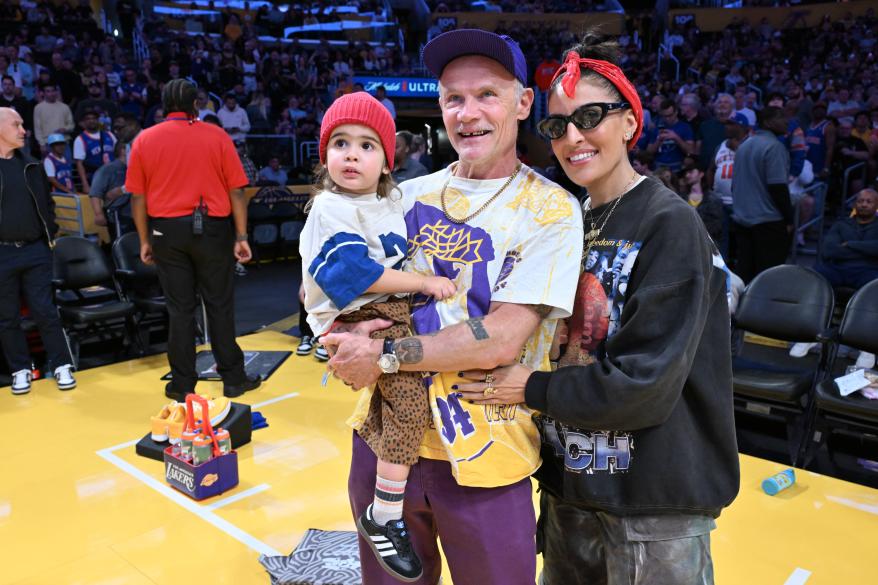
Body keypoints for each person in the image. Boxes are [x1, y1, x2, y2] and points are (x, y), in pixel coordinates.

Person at [460, 32, 738, 584]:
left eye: (590, 116)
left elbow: (646, 383)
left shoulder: (670, 223)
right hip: (572, 485)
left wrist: (529, 387)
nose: (573, 137)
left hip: (651, 503)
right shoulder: (567, 221)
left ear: (630, 123)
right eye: (557, 124)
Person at [321, 29, 583, 585]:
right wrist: (337, 331)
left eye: (487, 94)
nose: (468, 113)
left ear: (523, 103)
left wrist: (382, 355)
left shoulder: (551, 210)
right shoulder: (404, 197)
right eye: (453, 98)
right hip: (381, 440)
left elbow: (505, 336)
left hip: (488, 451)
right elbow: (336, 282)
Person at [301, 92, 457, 581]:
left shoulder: (388, 199)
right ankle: (385, 515)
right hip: (361, 307)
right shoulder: (330, 207)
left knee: (395, 402)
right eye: (341, 143)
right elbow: (359, 275)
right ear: (325, 154)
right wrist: (423, 283)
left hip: (374, 307)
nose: (351, 154)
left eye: (368, 146)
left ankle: (382, 465)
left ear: (388, 161)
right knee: (411, 401)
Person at [125, 79, 261, 401]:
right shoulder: (216, 135)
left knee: (179, 310)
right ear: (195, 105)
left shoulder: (144, 140)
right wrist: (241, 235)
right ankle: (233, 379)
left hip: (165, 232)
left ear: (163, 106)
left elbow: (137, 198)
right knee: (219, 305)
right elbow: (237, 191)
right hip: (212, 228)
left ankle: (183, 384)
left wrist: (145, 240)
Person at [0, 108, 76, 395]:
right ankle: (20, 369)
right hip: (2, 253)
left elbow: (48, 203)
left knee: (45, 310)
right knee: (6, 317)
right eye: (16, 124)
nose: (23, 129)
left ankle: (61, 364)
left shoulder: (31, 165)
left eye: (22, 124)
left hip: (35, 250)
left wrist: (50, 232)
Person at [731, 106, 793, 283]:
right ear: (768, 122)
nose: (786, 121)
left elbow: (735, 185)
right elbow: (778, 187)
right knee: (768, 277)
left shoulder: (745, 145)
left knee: (745, 271)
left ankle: (740, 309)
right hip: (768, 221)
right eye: (781, 117)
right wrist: (789, 219)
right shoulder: (774, 147)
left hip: (743, 218)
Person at [89, 140, 131, 237]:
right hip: (117, 215)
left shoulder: (134, 167)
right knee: (121, 246)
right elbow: (95, 193)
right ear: (123, 150)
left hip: (134, 214)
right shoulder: (108, 169)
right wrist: (98, 214)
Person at [72, 109, 116, 193]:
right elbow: (79, 164)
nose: (91, 121)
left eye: (94, 118)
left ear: (98, 120)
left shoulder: (109, 135)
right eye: (88, 119)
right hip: (94, 177)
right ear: (83, 122)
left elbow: (119, 154)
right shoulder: (80, 139)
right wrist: (85, 184)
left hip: (112, 176)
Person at [33, 82, 73, 153]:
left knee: (67, 164)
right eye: (48, 91)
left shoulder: (65, 107)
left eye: (53, 91)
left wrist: (65, 129)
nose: (51, 93)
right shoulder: (38, 108)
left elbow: (71, 125)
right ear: (43, 93)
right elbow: (37, 128)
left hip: (64, 142)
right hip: (48, 143)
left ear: (56, 92)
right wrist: (42, 144)